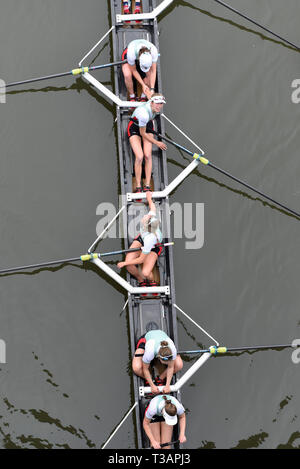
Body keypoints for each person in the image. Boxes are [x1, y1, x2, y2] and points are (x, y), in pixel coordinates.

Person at [117, 191, 163, 289]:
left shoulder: (150, 239)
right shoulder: (151, 217)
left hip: (153, 247)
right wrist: (149, 197)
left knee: (146, 272)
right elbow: (152, 207)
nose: (144, 217)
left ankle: (151, 281)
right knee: (129, 266)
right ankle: (140, 279)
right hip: (142, 240)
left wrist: (123, 263)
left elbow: (140, 260)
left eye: (145, 219)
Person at [127, 94, 167, 194]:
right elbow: (142, 133)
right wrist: (157, 142)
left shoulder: (152, 101)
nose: (159, 106)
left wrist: (147, 88)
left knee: (148, 155)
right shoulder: (144, 114)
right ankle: (138, 185)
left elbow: (151, 93)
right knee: (140, 157)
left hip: (147, 124)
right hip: (135, 128)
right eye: (157, 104)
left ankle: (147, 184)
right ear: (152, 102)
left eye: (161, 104)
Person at [131, 329, 183, 395]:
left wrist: (167, 386)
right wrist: (152, 385)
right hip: (146, 340)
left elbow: (171, 367)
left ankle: (160, 378)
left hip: (162, 337)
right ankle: (150, 379)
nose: (168, 363)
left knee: (179, 365)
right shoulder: (150, 351)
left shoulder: (172, 350)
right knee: (136, 368)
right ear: (158, 357)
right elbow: (145, 369)